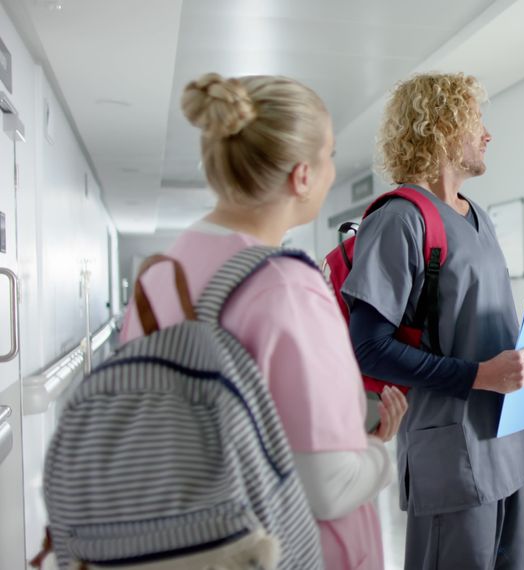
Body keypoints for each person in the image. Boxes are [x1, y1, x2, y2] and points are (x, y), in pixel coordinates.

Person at [121, 72, 406, 569]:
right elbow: (328, 488)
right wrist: (381, 450)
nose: (333, 172)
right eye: (330, 155)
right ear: (302, 175)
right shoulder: (288, 286)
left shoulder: (162, 273)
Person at [342, 72, 524, 570]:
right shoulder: (400, 219)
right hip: (451, 448)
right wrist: (479, 376)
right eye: (477, 122)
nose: (487, 134)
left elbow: (478, 324)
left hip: (506, 440)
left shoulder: (477, 216)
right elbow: (369, 346)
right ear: (442, 127)